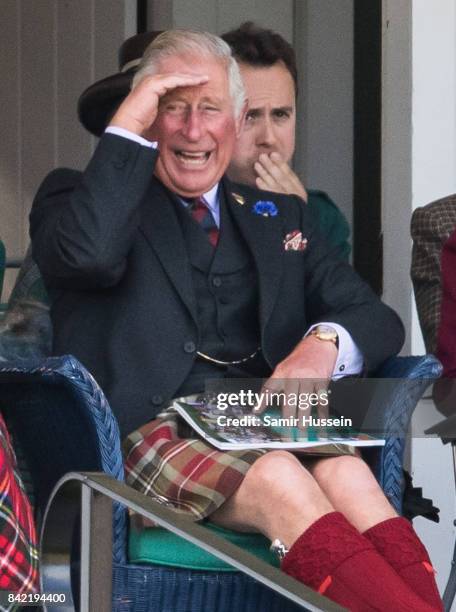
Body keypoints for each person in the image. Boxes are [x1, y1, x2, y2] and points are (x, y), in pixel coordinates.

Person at [30, 30, 441, 610]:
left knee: (350, 477)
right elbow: (88, 254)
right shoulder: (76, 199)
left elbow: (373, 316)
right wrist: (129, 124)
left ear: (238, 118)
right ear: (144, 115)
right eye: (172, 108)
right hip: (144, 433)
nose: (194, 131)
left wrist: (323, 343)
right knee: (280, 476)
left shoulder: (279, 216)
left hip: (254, 420)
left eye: (211, 110)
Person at [222, 22, 351, 260]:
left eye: (280, 115)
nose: (268, 138)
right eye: (250, 116)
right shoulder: (195, 210)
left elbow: (334, 296)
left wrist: (299, 223)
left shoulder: (321, 216)